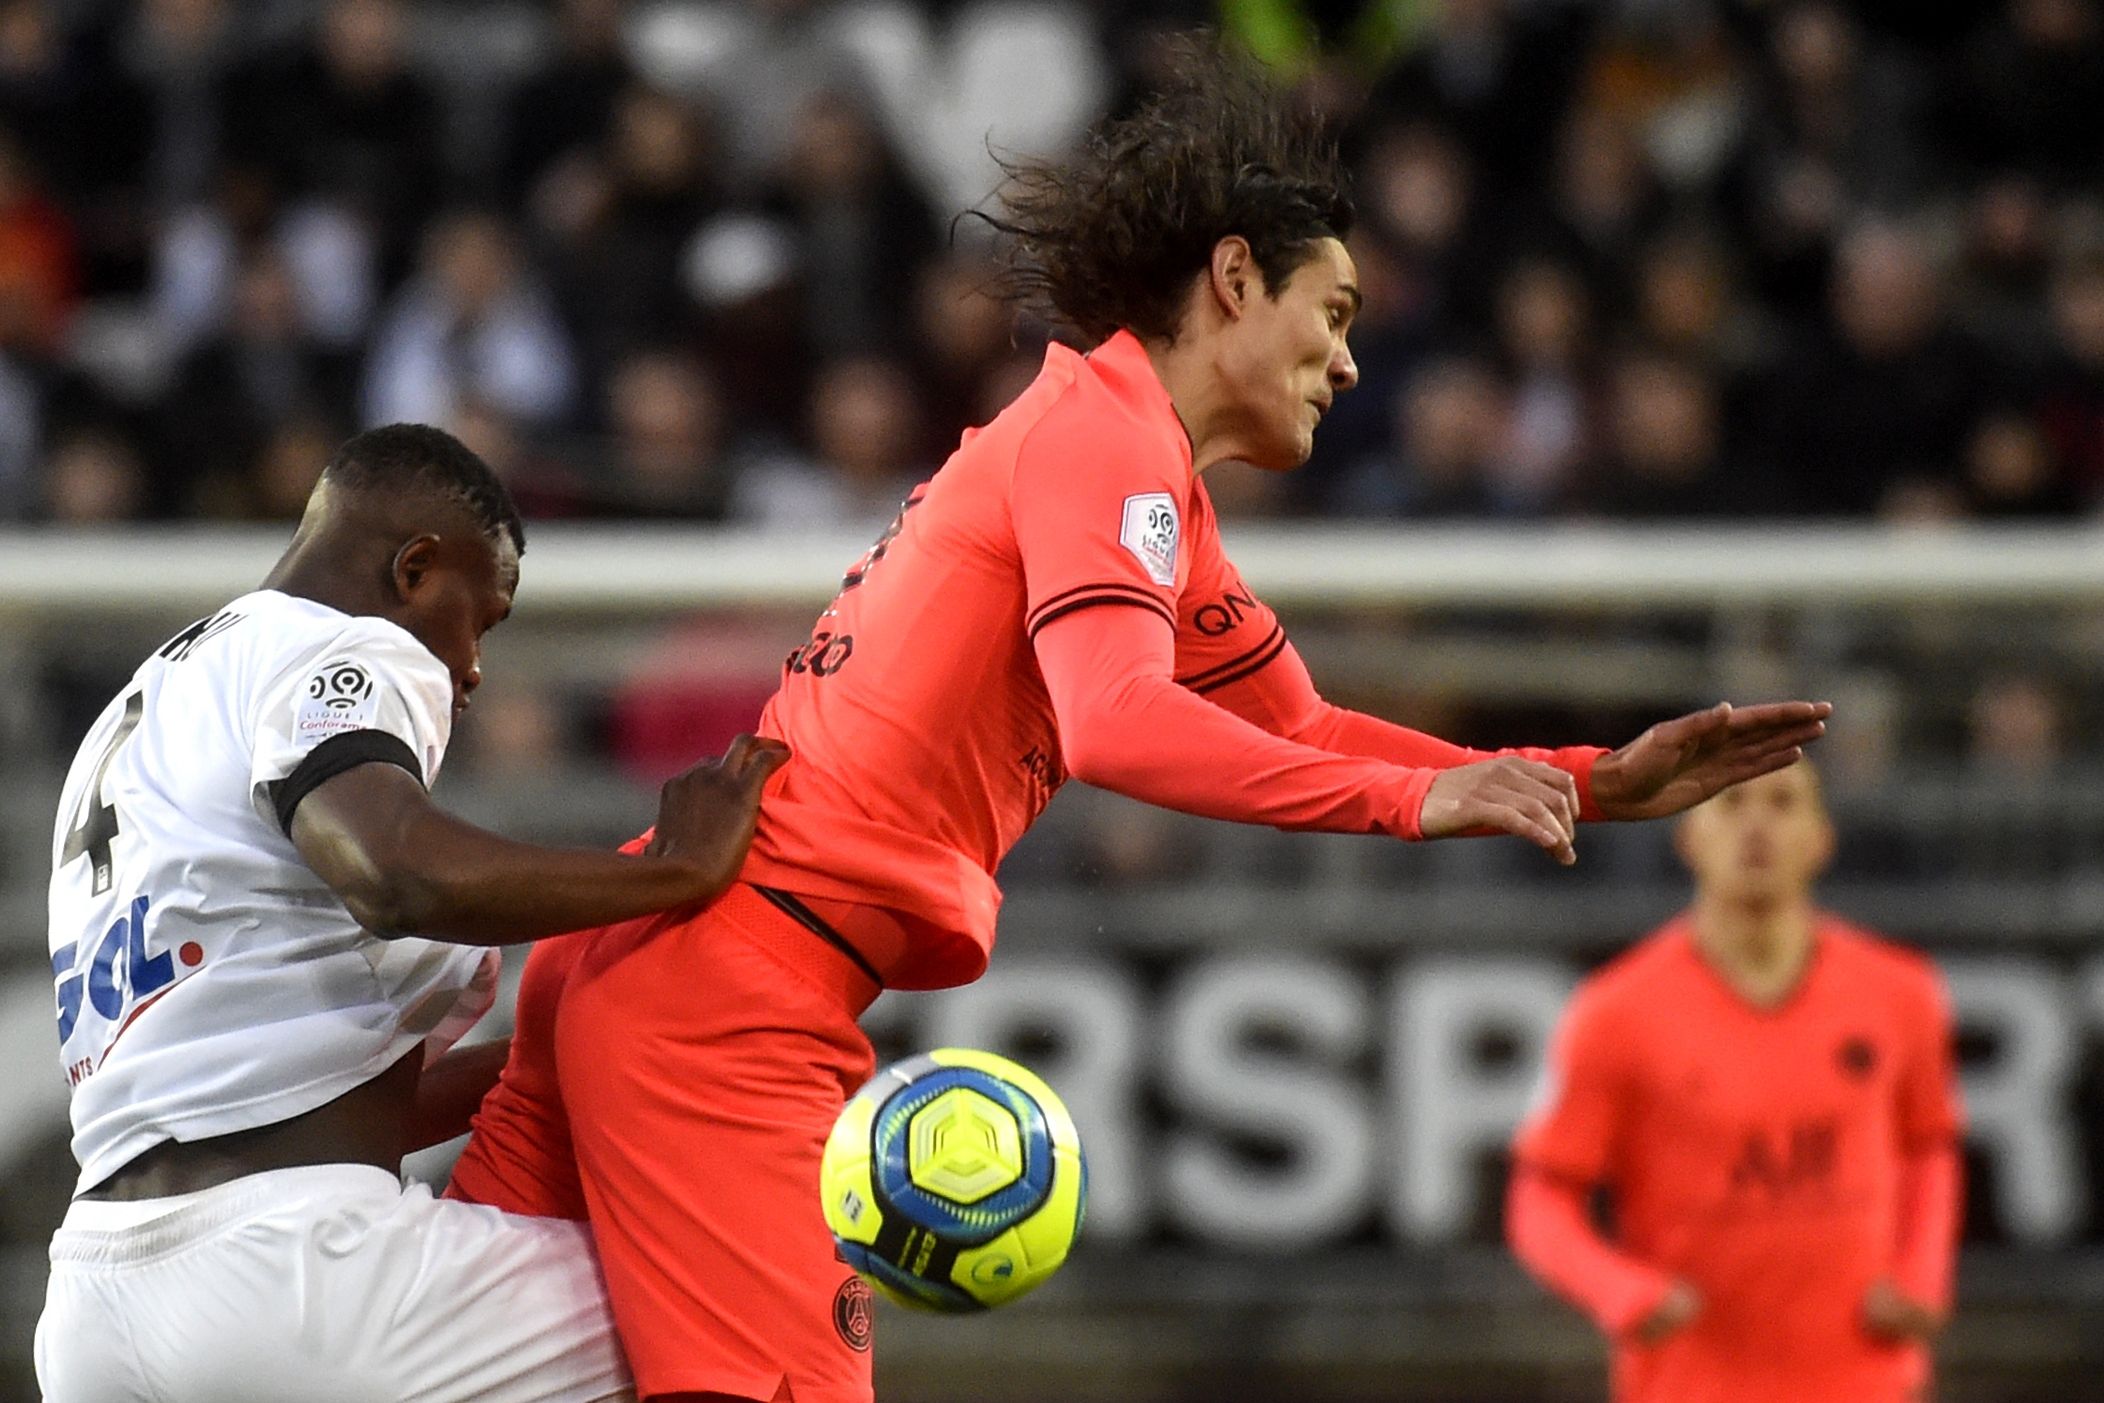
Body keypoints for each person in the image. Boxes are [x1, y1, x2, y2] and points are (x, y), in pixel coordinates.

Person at [448, 41, 1830, 1403]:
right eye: (1334, 314)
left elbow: (1301, 721)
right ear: (1236, 277)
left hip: (652, 948)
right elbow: (1115, 722)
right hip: (728, 993)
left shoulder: (1134, 475)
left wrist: (1584, 780)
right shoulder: (1101, 442)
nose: (1348, 365)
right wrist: (1422, 801)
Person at [37, 423, 786, 1402]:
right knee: (741, 1313)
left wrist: (575, 1048)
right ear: (415, 569)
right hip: (290, 1276)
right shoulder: (337, 644)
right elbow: (394, 873)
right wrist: (676, 872)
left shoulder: (148, 703)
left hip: (95, 1305)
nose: (472, 667)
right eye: (484, 617)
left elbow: (286, 1098)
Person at [1506, 763, 1964, 1403]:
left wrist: (1921, 1274)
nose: (1756, 825)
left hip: (1867, 1378)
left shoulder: (1901, 994)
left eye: (1782, 803)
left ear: (1822, 836)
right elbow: (1541, 1197)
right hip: (1690, 1384)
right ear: (1688, 836)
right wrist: (1618, 1290)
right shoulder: (1614, 1013)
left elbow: (1928, 1145)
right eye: (1731, 804)